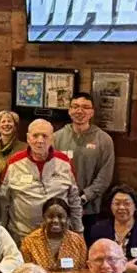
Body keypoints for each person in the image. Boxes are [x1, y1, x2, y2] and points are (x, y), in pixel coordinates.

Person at [1, 118, 83, 243]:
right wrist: (0, 233)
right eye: (35, 136)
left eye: (45, 136)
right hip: (21, 236)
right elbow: (3, 202)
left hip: (57, 237)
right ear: (28, 138)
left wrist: (78, 232)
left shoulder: (65, 163)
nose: (40, 140)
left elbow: (74, 201)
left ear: (52, 139)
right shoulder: (13, 163)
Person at [52, 92, 115, 239]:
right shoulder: (57, 137)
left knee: (85, 250)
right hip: (61, 207)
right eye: (75, 106)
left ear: (92, 112)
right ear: (69, 110)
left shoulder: (104, 140)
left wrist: (85, 197)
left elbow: (104, 176)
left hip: (89, 209)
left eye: (85, 107)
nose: (80, 111)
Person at [89, 184, 137, 273]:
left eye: (127, 203)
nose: (121, 207)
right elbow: (93, 259)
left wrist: (111, 266)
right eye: (117, 203)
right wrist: (123, 268)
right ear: (110, 206)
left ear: (135, 206)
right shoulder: (99, 229)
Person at [19, 197, 89, 273]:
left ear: (68, 218)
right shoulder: (29, 243)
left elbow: (83, 272)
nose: (55, 220)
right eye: (50, 216)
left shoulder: (78, 242)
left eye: (60, 216)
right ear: (43, 218)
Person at [0, 110, 26, 179]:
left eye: (9, 121)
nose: (6, 124)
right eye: (3, 121)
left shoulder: (25, 148)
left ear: (15, 126)